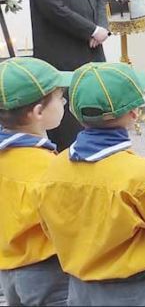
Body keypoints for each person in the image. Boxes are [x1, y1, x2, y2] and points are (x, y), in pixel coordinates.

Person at [37, 62, 145, 307]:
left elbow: (49, 226)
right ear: (133, 113)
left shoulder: (53, 167)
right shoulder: (142, 174)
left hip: (80, 286)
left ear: (76, 114)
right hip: (134, 288)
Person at [28, 0, 108, 151]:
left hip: (92, 53)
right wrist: (91, 30)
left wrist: (101, 29)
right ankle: (67, 157)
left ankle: (96, 150)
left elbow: (98, 0)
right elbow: (55, 10)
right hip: (62, 57)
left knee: (95, 105)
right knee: (67, 119)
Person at [0, 58, 71, 306]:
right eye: (60, 97)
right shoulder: (49, 167)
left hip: (8, 267)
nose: (64, 102)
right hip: (48, 273)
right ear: (38, 112)